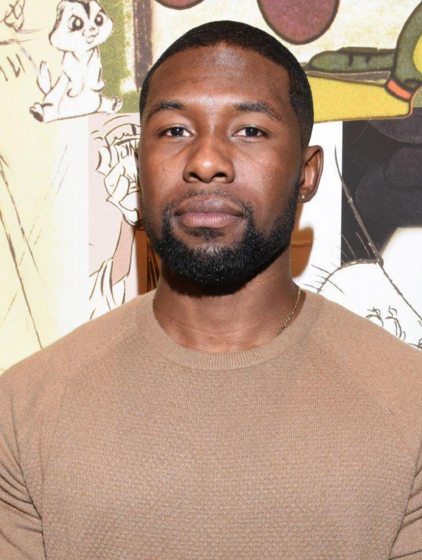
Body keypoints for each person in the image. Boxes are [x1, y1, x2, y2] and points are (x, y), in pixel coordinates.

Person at [1, 20, 421, 560]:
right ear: (139, 167)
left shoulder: (409, 405)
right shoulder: (25, 408)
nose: (205, 162)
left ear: (307, 174)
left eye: (251, 130)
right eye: (175, 130)